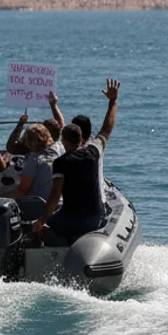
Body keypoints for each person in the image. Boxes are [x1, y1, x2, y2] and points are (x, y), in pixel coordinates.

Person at [34, 79, 121, 241]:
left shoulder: (61, 162)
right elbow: (107, 128)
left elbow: (54, 196)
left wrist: (42, 220)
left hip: (70, 220)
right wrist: (113, 101)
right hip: (95, 219)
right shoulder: (94, 151)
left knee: (37, 229)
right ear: (82, 138)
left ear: (64, 141)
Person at [12, 124, 60, 200]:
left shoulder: (34, 160)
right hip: (56, 202)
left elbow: (22, 189)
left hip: (36, 204)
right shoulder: (57, 154)